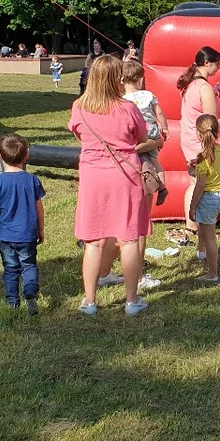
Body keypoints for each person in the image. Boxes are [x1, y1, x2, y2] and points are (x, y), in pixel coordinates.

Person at [68, 54, 151, 316]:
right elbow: (142, 136)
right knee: (128, 239)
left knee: (93, 242)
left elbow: (77, 132)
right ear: (117, 79)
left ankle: (90, 301)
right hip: (125, 176)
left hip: (93, 177)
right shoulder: (128, 109)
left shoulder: (79, 106)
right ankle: (131, 301)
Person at [177, 46, 220, 236]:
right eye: (217, 64)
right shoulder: (204, 87)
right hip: (201, 142)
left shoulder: (192, 84)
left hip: (190, 140)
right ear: (207, 63)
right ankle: (196, 223)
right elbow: (212, 123)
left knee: (194, 181)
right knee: (200, 183)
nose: (219, 68)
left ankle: (192, 223)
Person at [0, 134, 45, 314]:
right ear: (26, 157)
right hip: (28, 233)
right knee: (29, 265)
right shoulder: (32, 180)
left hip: (5, 235)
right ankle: (30, 291)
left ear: (0, 157)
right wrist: (41, 229)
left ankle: (13, 302)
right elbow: (39, 208)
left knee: (11, 269)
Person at [121, 59, 169, 207]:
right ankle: (162, 187)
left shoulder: (123, 101)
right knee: (155, 161)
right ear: (140, 80)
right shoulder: (148, 95)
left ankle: (148, 187)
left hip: (137, 134)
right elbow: (159, 112)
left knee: (141, 160)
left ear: (122, 80)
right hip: (153, 130)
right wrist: (165, 128)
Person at [188, 114, 220, 283]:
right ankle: (202, 252)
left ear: (199, 134)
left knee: (210, 237)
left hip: (209, 198)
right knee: (204, 229)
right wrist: (196, 167)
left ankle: (213, 274)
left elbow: (200, 186)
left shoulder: (203, 158)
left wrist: (191, 207)